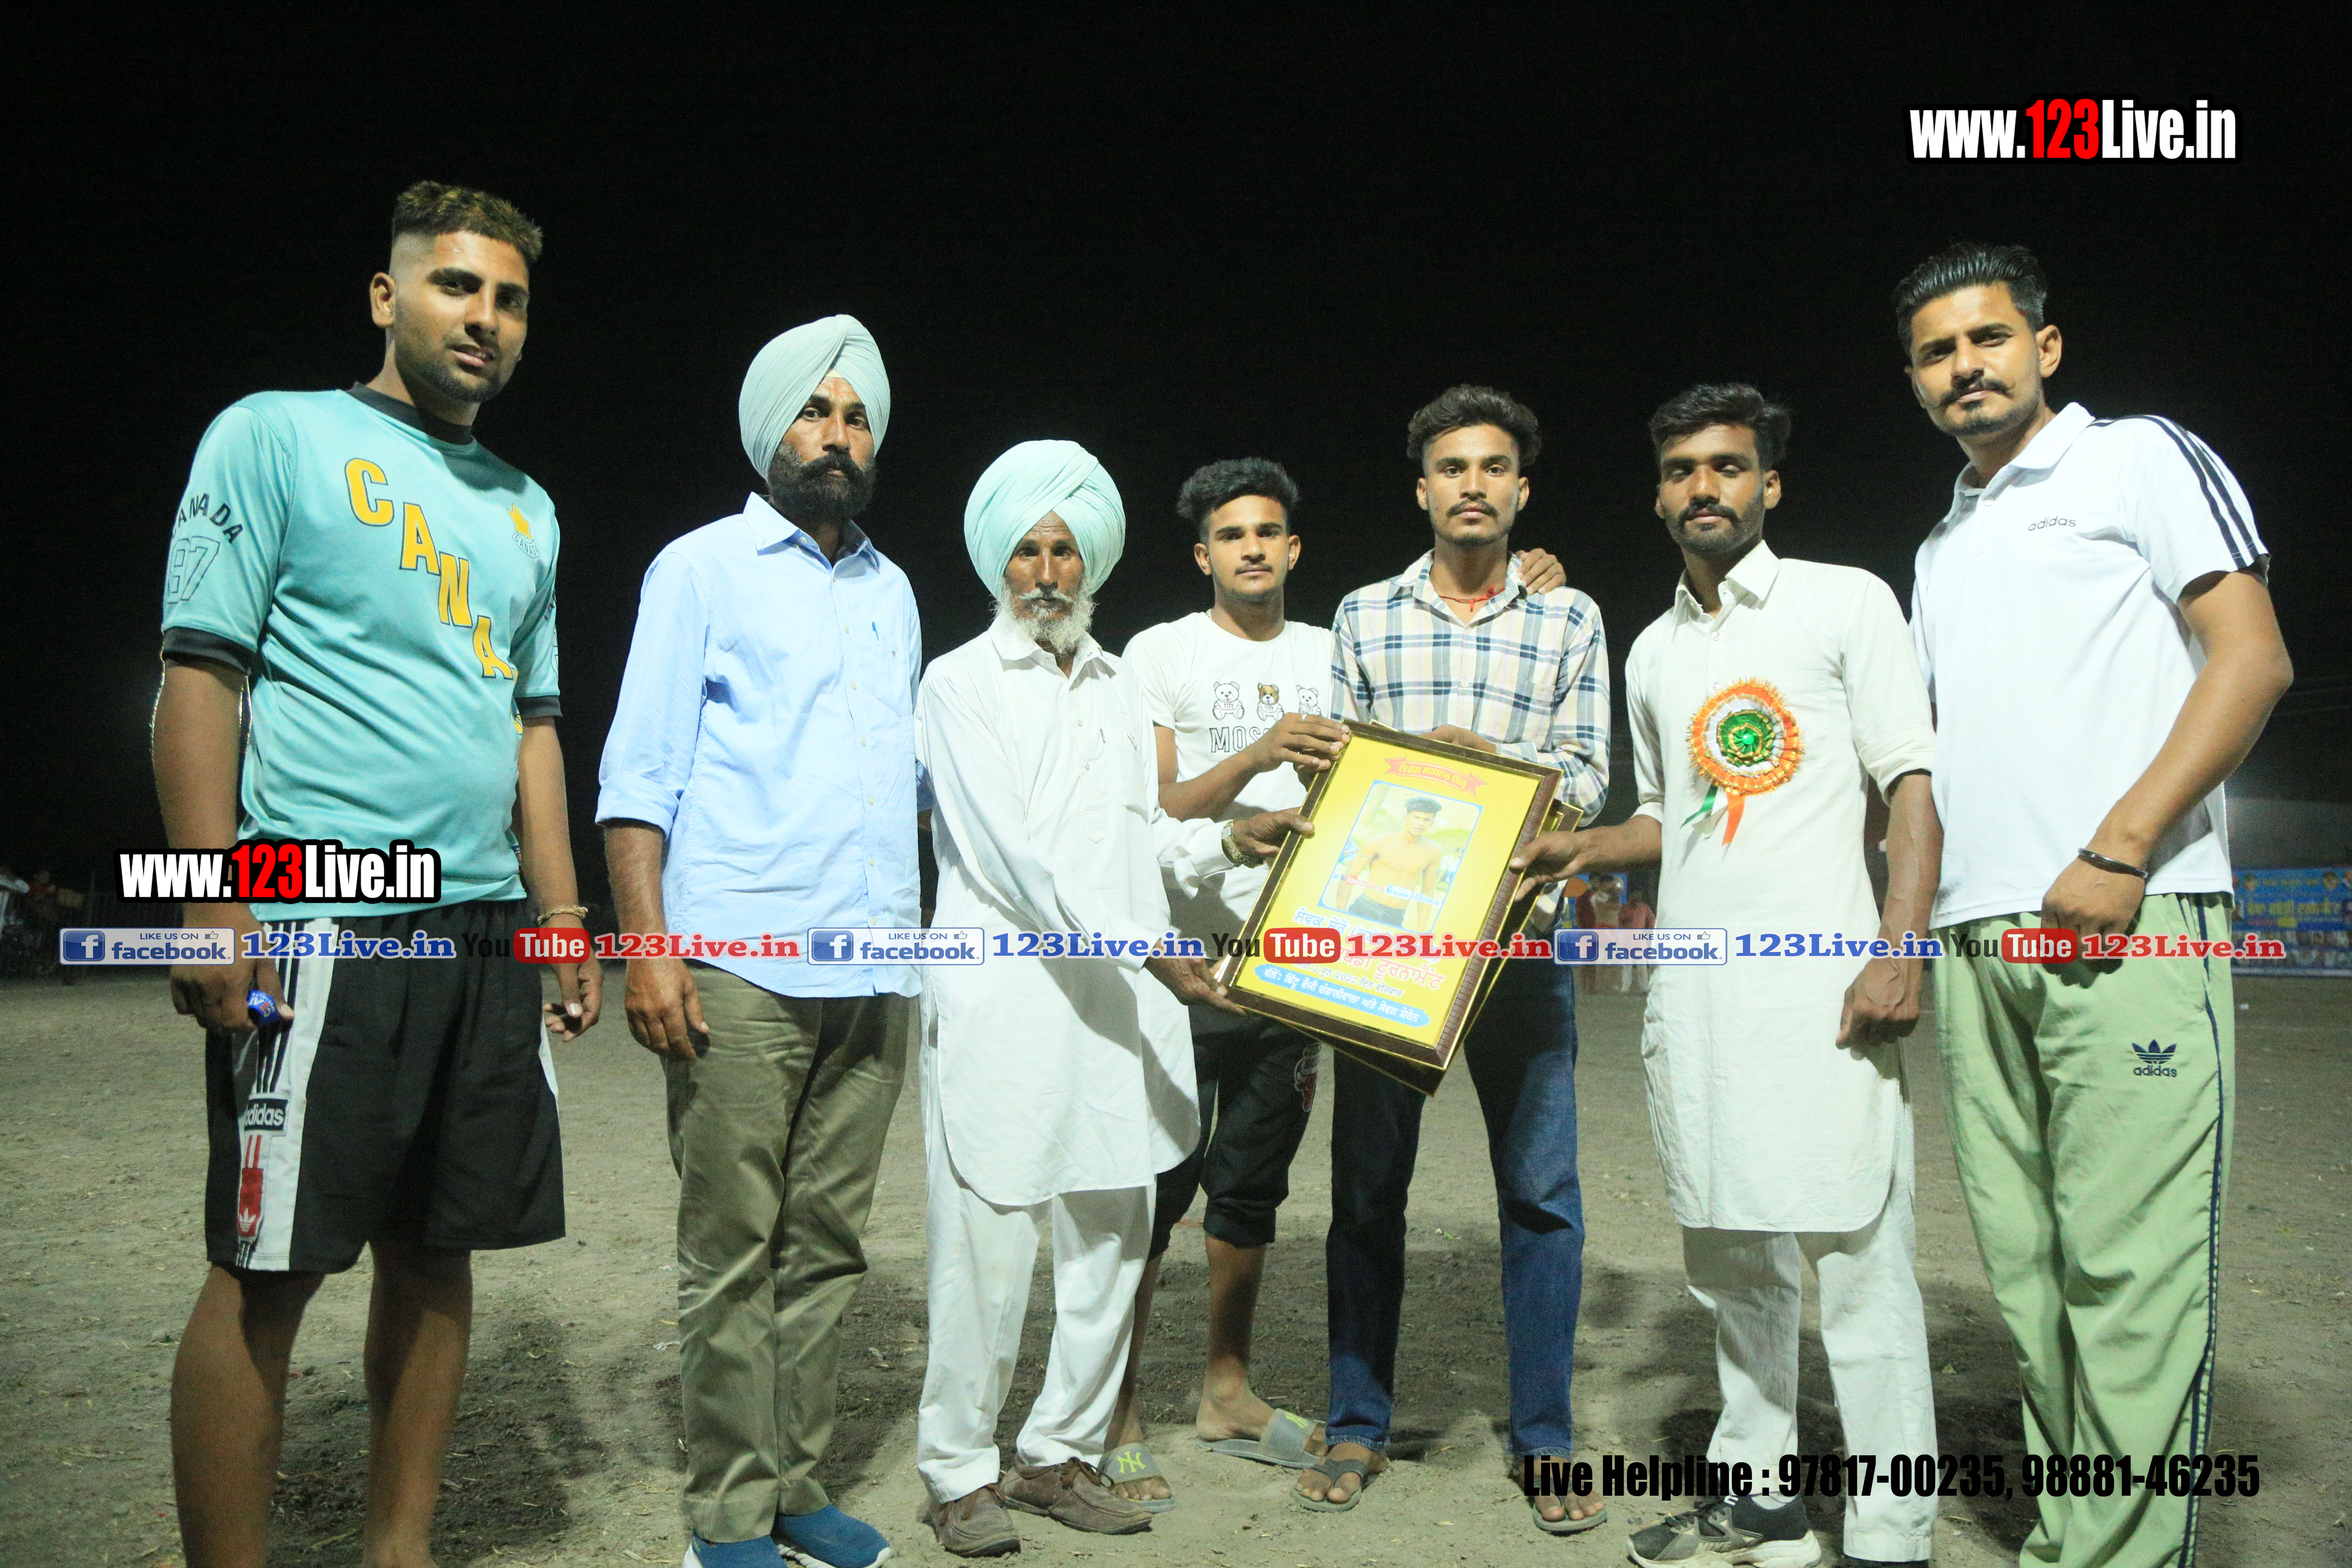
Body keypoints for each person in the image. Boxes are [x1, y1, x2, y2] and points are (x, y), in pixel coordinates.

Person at [150, 182, 599, 1568]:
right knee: (266, 1270)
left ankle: (396, 1552)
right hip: (322, 918)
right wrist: (208, 897)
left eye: (510, 299)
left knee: (439, 1249)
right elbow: (200, 673)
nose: (485, 318)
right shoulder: (275, 434)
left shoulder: (529, 509)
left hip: (480, 930)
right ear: (386, 296)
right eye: (458, 286)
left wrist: (562, 916)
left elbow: (531, 727)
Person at [1897, 243, 2291, 1567]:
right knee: (2033, 1280)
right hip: (1981, 939)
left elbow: (2253, 658)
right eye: (1938, 353)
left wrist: (2122, 848)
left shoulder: (2136, 458)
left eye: (1988, 338)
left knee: (2130, 1279)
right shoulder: (1942, 544)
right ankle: (2074, 1540)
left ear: (2045, 347)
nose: (1966, 367)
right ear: (1916, 382)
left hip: (2127, 917)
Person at [1516, 383, 1943, 1568]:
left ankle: (1894, 1532)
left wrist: (1900, 947)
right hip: (1698, 1001)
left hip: (1828, 992)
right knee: (1729, 1264)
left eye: (1728, 466)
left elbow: (1911, 784)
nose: (1704, 487)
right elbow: (1670, 815)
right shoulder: (1654, 650)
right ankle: (1762, 1502)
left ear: (1770, 485)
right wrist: (1575, 847)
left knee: (1859, 1267)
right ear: (1659, 496)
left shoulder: (1844, 601)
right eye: (1681, 470)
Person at [913, 440, 1310, 1557]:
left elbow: (1143, 835)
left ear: (1091, 565)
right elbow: (1011, 859)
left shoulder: (1123, 684)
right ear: (998, 563)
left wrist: (1227, 840)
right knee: (987, 1242)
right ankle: (958, 1473)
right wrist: (1151, 948)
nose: (1047, 573)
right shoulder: (958, 682)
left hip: (1120, 1003)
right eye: (1028, 552)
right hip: (1008, 995)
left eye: (1066, 553)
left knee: (1111, 1234)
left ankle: (1059, 1455)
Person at [596, 316, 913, 1568]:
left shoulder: (892, 591)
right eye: (814, 412)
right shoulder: (700, 569)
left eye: (856, 417)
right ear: (771, 429)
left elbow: (902, 777)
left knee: (827, 1249)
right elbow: (640, 773)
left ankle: (795, 1489)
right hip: (738, 964)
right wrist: (650, 948)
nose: (836, 436)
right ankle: (726, 1520)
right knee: (731, 1252)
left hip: (876, 968)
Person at [1298, 385, 1608, 1536]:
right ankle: (1356, 1423)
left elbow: (1591, 775)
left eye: (1493, 467)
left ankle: (1546, 1440)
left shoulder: (1569, 616)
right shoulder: (1364, 615)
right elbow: (1338, 771)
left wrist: (1494, 764)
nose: (1472, 485)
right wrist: (1397, 765)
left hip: (1519, 941)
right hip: (1393, 950)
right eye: (1451, 468)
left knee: (1542, 1196)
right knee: (1366, 1195)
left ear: (1521, 488)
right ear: (1422, 488)